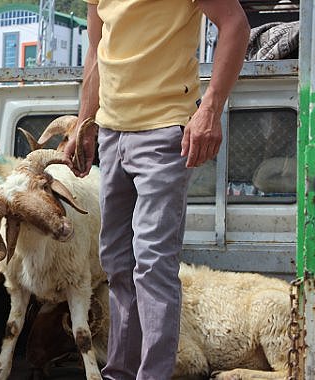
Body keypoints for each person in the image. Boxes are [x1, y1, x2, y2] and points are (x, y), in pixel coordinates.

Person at [62, 0, 250, 379]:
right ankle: (120, 373)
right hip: (112, 134)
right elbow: (98, 49)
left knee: (152, 264)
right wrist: (84, 122)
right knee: (116, 263)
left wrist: (210, 109)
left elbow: (236, 25)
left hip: (165, 131)